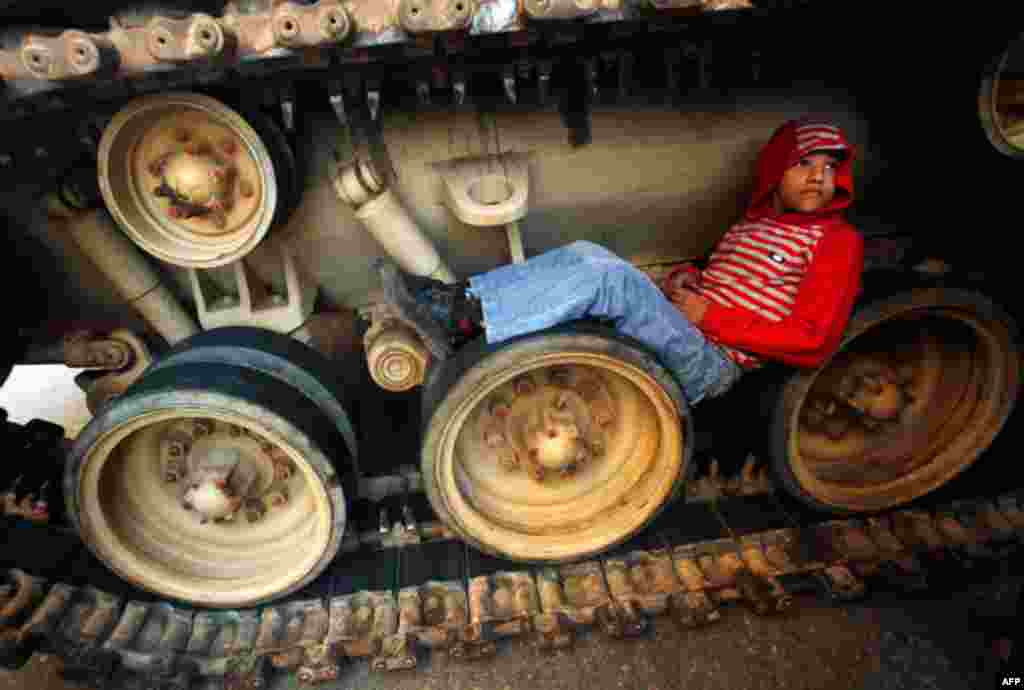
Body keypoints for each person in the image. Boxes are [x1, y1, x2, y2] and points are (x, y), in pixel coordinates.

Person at [376, 118, 865, 405]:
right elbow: (726, 282)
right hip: (693, 330)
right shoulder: (755, 224)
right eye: (805, 163)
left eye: (829, 167)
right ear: (778, 169)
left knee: (606, 279)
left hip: (714, 365)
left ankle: (463, 319)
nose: (819, 176)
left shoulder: (836, 240)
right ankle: (466, 301)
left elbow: (813, 340)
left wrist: (709, 316)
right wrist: (686, 280)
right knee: (591, 254)